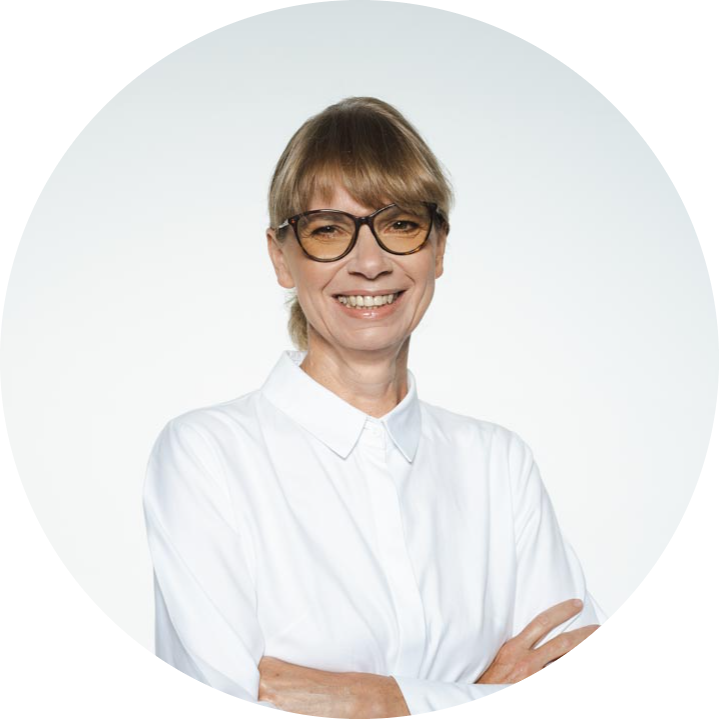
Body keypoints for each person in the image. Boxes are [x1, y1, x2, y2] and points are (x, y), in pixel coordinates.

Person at [141, 96, 605, 716]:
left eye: (401, 224)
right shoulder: (206, 455)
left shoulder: (499, 464)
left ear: (438, 248)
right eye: (328, 229)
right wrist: (478, 689)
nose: (369, 263)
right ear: (281, 257)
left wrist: (375, 699)